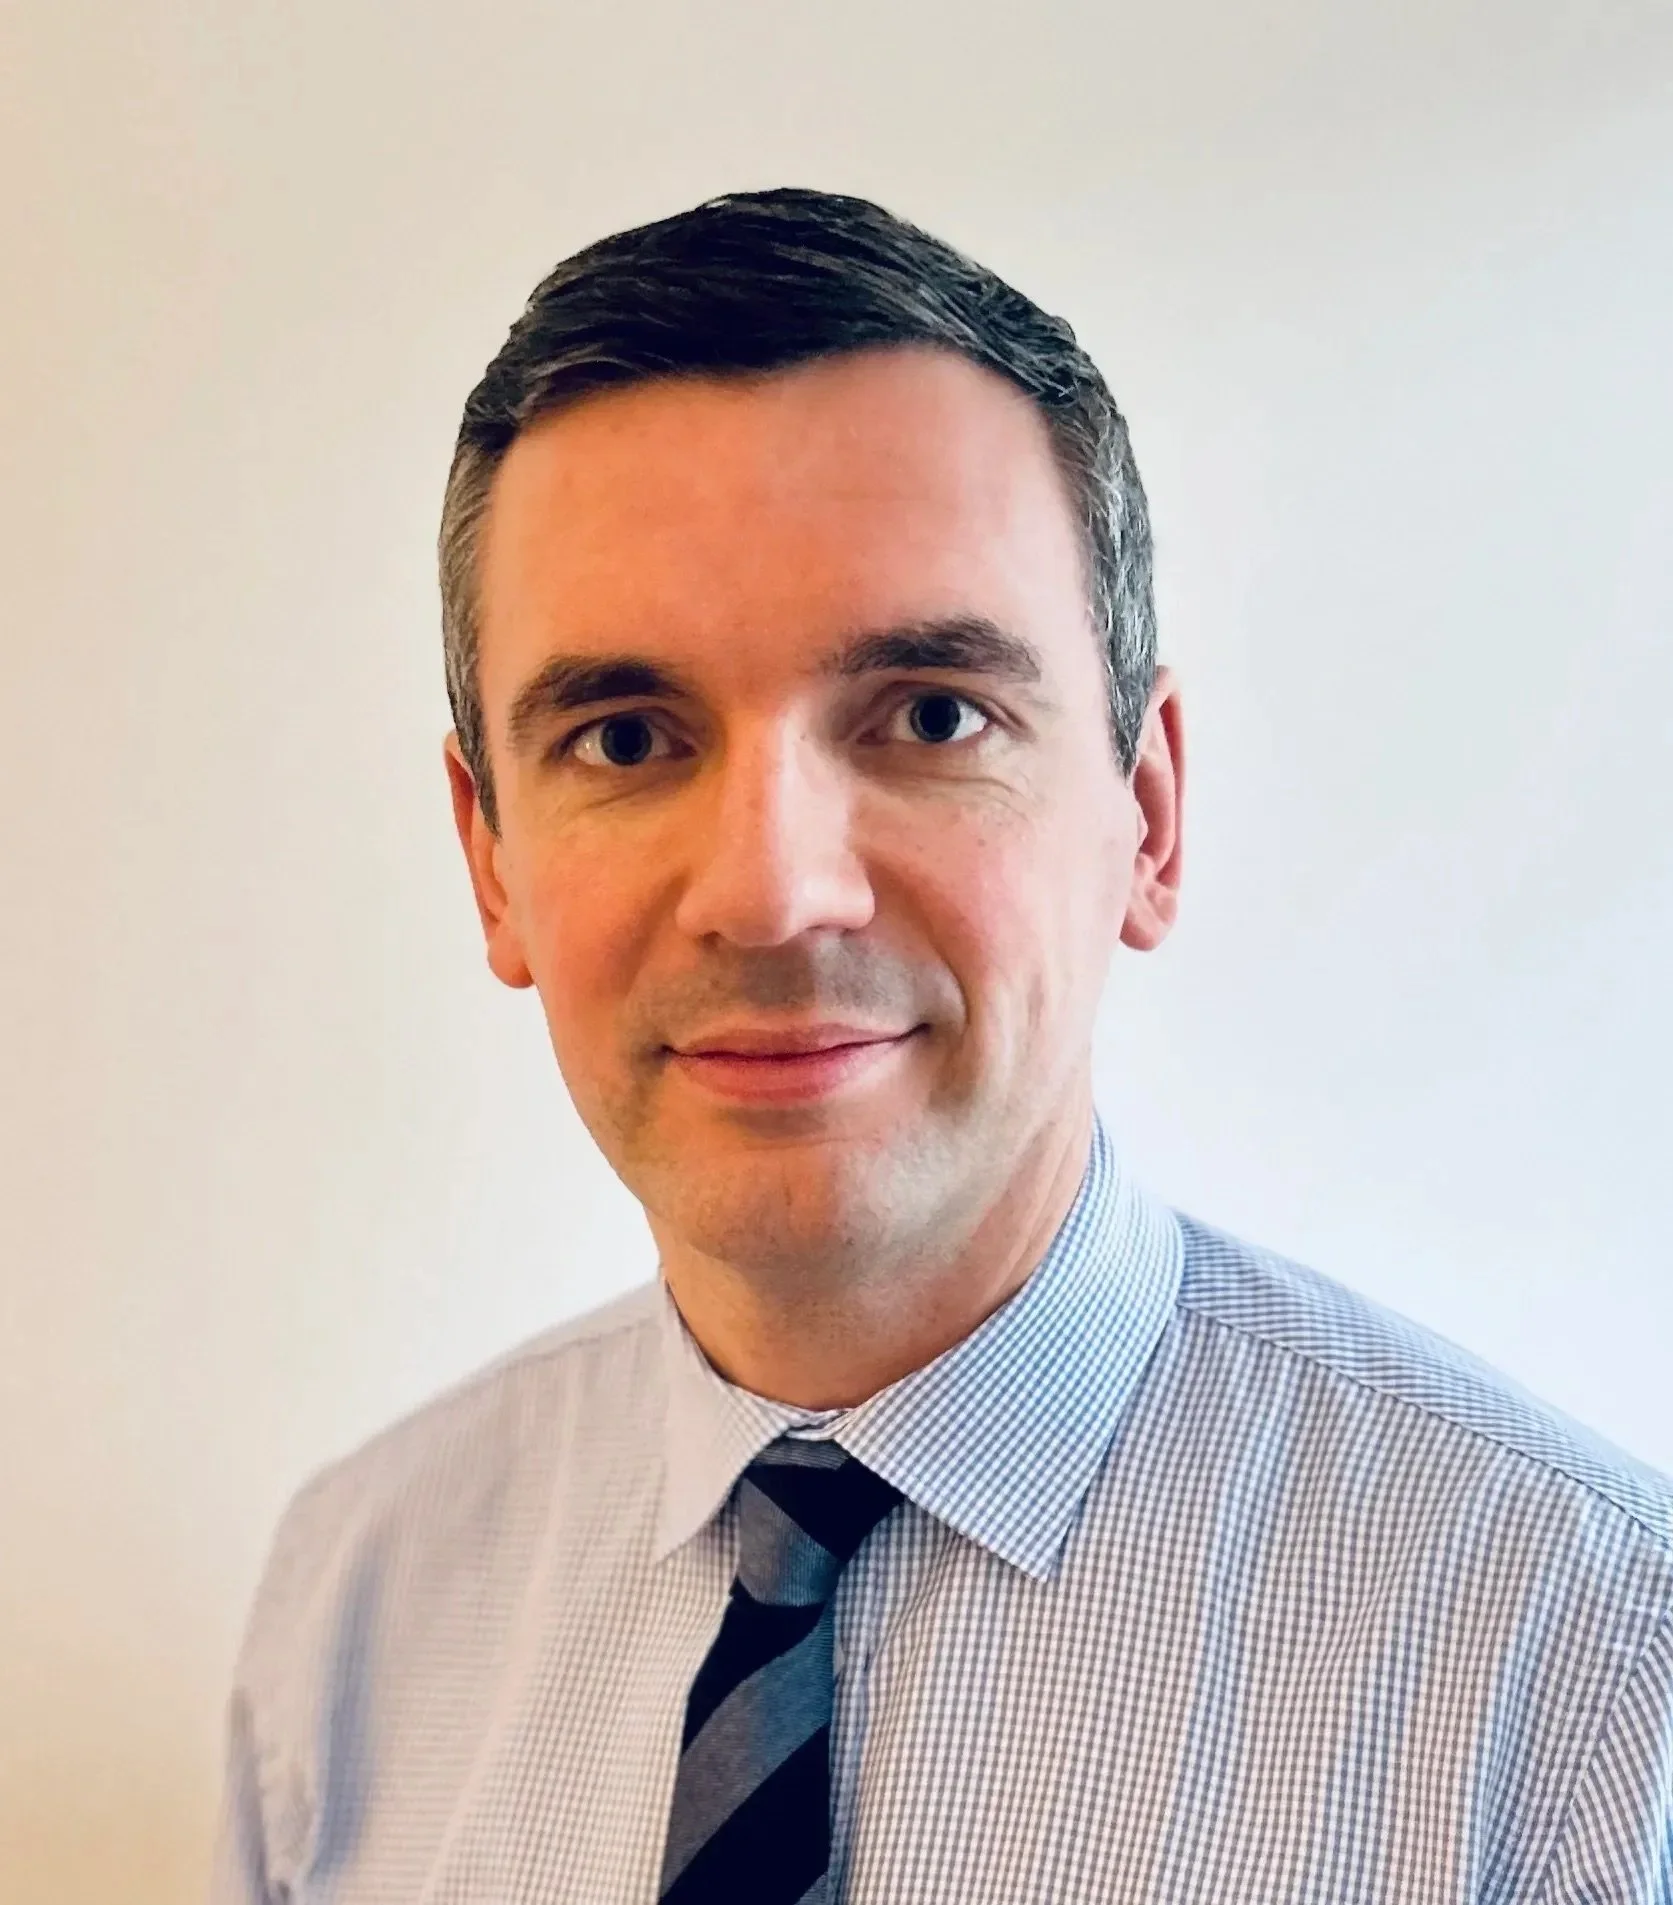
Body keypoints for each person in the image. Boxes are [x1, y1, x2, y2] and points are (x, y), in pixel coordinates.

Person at [212, 189, 1673, 1904]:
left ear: (1147, 814)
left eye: (930, 716)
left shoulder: (1586, 1684)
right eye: (625, 736)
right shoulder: (353, 1610)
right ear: (490, 859)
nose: (772, 892)